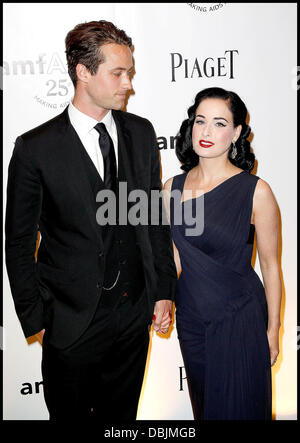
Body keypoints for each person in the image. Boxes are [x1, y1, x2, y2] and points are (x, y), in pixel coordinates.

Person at [5, 20, 176, 421]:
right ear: (83, 72)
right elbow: (18, 243)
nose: (128, 84)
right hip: (70, 324)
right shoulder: (35, 149)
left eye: (129, 73)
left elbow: (152, 219)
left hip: (134, 318)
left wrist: (164, 289)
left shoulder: (141, 132)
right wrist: (38, 320)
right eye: (118, 73)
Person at [164, 87, 282, 420]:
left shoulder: (256, 191)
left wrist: (273, 330)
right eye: (200, 121)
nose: (206, 131)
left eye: (219, 123)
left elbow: (271, 267)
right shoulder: (170, 188)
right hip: (192, 320)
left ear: (237, 133)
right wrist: (160, 301)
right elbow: (172, 257)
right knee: (206, 408)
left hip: (240, 318)